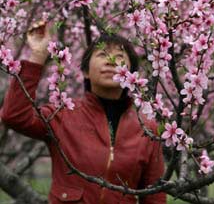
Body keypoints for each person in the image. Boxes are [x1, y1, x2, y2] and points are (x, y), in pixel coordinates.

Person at [0, 21, 166, 204]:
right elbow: (14, 116)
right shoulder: (62, 116)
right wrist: (38, 55)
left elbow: (155, 197)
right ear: (85, 72)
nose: (111, 62)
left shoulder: (148, 130)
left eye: (119, 57)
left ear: (132, 75)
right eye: (103, 54)